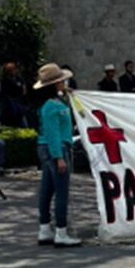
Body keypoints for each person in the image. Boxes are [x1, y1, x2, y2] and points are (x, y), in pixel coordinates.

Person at [33, 63, 81, 247]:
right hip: (56, 147)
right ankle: (61, 231)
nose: (64, 81)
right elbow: (53, 133)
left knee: (47, 189)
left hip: (47, 147)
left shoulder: (50, 103)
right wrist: (59, 156)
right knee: (61, 191)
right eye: (60, 80)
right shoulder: (52, 107)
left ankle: (45, 228)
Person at [0, 62, 28, 127]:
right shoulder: (5, 81)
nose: (15, 71)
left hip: (20, 104)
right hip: (10, 106)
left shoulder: (19, 79)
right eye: (11, 70)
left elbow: (24, 91)